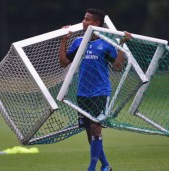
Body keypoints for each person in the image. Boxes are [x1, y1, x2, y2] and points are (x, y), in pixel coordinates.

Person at [59, 8, 131, 171]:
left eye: (87, 19)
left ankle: (92, 168)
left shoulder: (106, 43)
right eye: (84, 19)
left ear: (96, 23)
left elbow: (118, 67)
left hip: (100, 92)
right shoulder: (79, 43)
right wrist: (64, 40)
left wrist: (121, 45)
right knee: (89, 132)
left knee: (95, 127)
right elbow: (64, 62)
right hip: (82, 93)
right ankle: (105, 165)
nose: (83, 22)